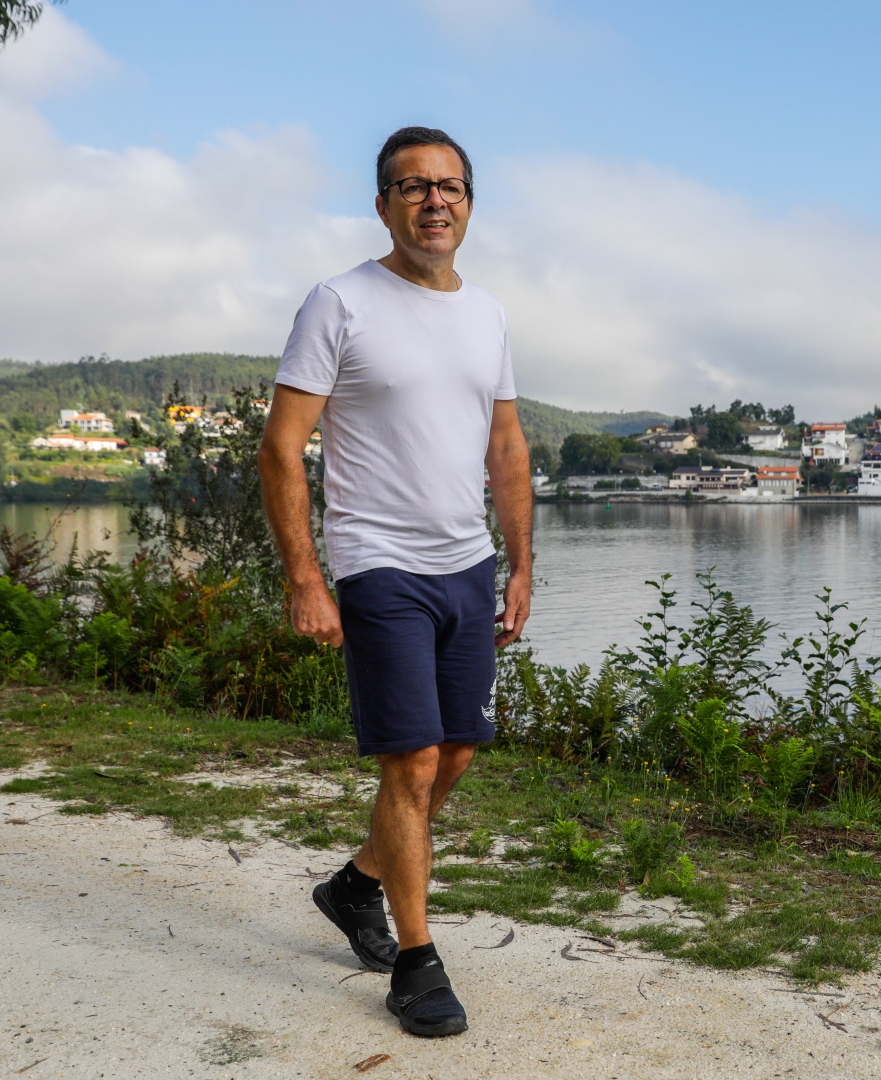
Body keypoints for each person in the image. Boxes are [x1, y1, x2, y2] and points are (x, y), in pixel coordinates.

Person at [258, 126, 533, 1038]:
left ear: (468, 202)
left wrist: (523, 561)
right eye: (412, 187)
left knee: (454, 752)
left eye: (449, 186)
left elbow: (504, 446)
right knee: (410, 760)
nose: (433, 201)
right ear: (383, 204)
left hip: (467, 563)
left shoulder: (486, 313)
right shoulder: (340, 302)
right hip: (379, 563)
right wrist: (306, 576)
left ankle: (355, 884)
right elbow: (281, 446)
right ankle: (415, 962)